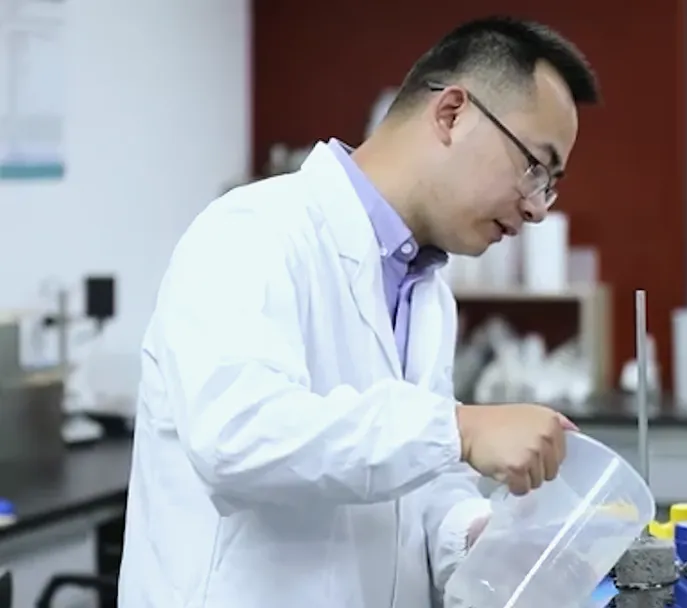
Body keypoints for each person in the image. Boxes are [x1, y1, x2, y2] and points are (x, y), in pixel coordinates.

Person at [116, 15, 599, 608]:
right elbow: (236, 435)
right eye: (534, 167)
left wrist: (480, 539)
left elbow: (419, 483)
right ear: (452, 114)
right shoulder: (252, 231)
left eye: (550, 184)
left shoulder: (428, 294)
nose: (537, 208)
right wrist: (460, 429)